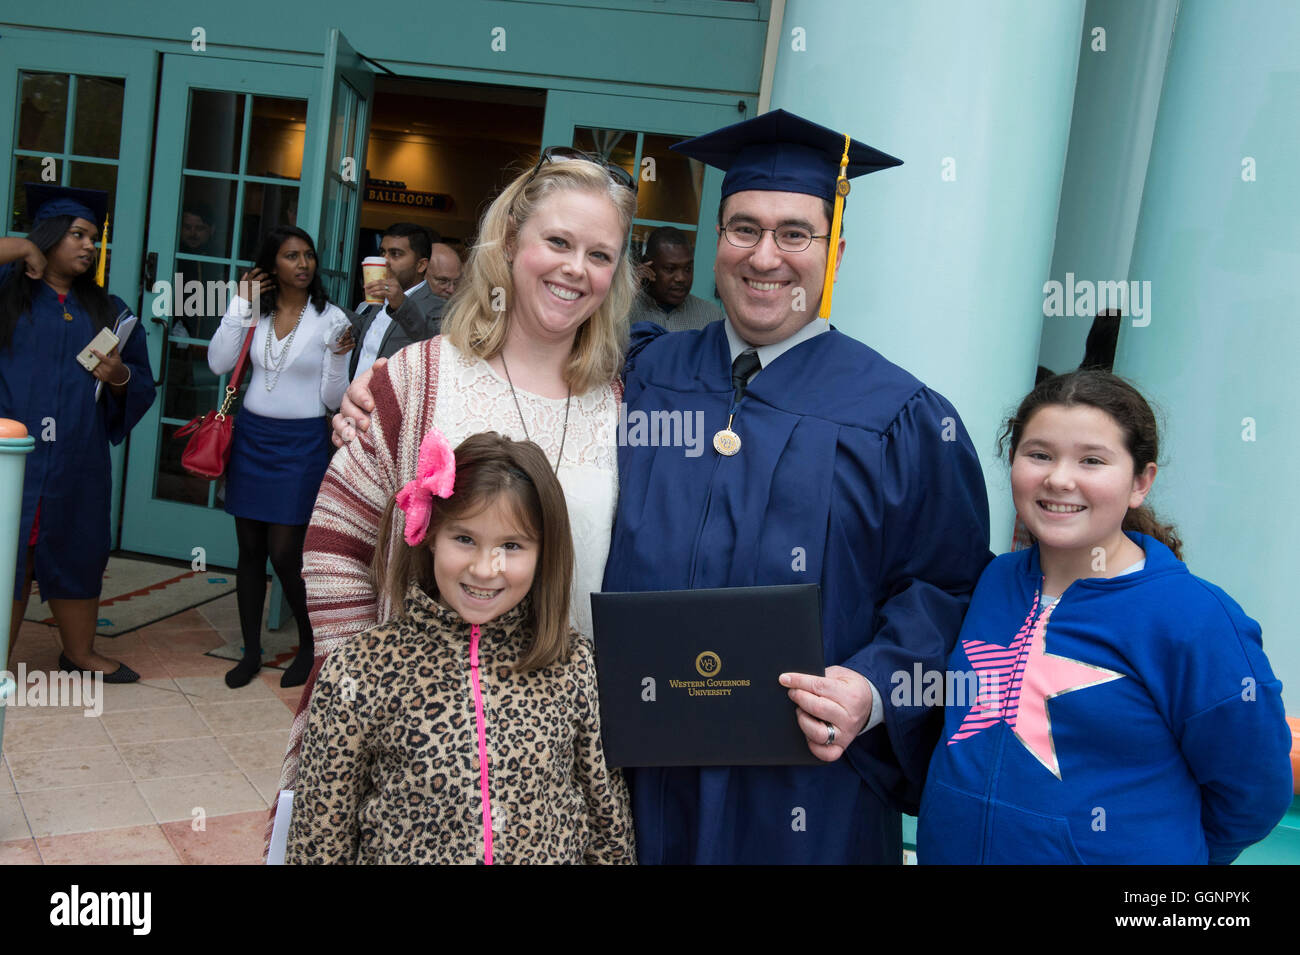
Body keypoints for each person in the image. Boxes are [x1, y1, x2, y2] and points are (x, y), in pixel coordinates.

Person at [603, 109, 993, 864]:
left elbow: (945, 587)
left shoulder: (900, 415)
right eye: (744, 228)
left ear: (834, 250)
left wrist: (873, 690)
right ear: (720, 240)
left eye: (794, 233)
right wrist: (391, 388)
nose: (766, 256)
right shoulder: (647, 374)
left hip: (806, 786)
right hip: (638, 772)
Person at [270, 148, 638, 836]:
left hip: (547, 752)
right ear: (508, 245)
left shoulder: (621, 405)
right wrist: (374, 693)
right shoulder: (417, 378)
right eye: (556, 241)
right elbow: (332, 543)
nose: (574, 269)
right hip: (416, 748)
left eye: (599, 254)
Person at [917, 371, 1293, 864]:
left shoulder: (1195, 618)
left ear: (1140, 482)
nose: (1059, 478)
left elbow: (1253, 792)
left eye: (1092, 460)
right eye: (1039, 454)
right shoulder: (993, 582)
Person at [285, 429, 634, 864]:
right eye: (465, 539)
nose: (485, 569)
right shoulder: (358, 672)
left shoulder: (574, 665)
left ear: (544, 553)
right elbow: (319, 839)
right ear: (431, 533)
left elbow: (608, 822)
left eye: (511, 546)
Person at [0, 184, 156, 681]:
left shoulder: (109, 311)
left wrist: (119, 379)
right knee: (8, 550)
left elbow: (140, 383)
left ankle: (80, 653)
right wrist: (23, 248)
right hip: (12, 454)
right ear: (47, 236)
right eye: (77, 234)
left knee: (78, 545)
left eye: (94, 237)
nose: (90, 246)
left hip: (77, 457)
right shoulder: (8, 293)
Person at [208, 226, 354, 689]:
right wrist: (239, 303)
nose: (304, 264)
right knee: (249, 550)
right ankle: (250, 652)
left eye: (309, 255)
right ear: (271, 266)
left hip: (302, 443)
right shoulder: (256, 312)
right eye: (292, 256)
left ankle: (310, 645)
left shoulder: (332, 319)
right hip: (253, 437)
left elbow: (335, 396)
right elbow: (217, 362)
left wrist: (335, 355)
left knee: (285, 552)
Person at [349, 223, 446, 381]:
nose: (385, 261)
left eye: (395, 254)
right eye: (382, 252)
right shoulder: (377, 302)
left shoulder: (440, 307)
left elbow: (434, 348)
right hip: (354, 400)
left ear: (421, 265)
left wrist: (401, 304)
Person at [628, 226, 723, 331]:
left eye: (688, 269)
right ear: (648, 266)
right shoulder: (625, 312)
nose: (681, 278)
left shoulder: (711, 317)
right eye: (670, 269)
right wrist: (628, 296)